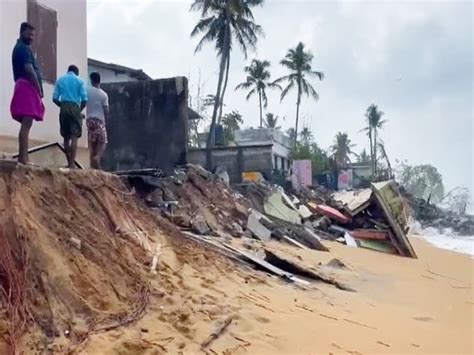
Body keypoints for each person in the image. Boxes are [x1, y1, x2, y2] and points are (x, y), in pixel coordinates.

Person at [10, 22, 45, 165]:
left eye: (33, 35)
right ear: (22, 32)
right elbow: (30, 70)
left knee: (27, 122)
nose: (31, 37)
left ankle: (23, 157)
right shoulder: (23, 49)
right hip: (26, 85)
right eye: (29, 34)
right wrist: (39, 89)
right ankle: (23, 158)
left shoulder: (21, 48)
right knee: (27, 122)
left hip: (23, 85)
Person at [53, 65, 87, 169]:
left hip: (63, 107)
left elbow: (54, 98)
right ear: (76, 73)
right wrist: (78, 110)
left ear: (68, 71)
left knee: (66, 137)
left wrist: (62, 106)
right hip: (75, 106)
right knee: (74, 136)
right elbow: (84, 100)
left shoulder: (60, 80)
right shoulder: (80, 81)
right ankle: (72, 164)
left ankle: (69, 162)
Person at [86, 72, 109, 169]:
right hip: (99, 120)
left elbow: (83, 101)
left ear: (91, 80)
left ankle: (93, 166)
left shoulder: (87, 91)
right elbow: (106, 109)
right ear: (100, 80)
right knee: (103, 141)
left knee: (92, 144)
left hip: (89, 120)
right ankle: (98, 157)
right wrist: (106, 119)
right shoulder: (103, 94)